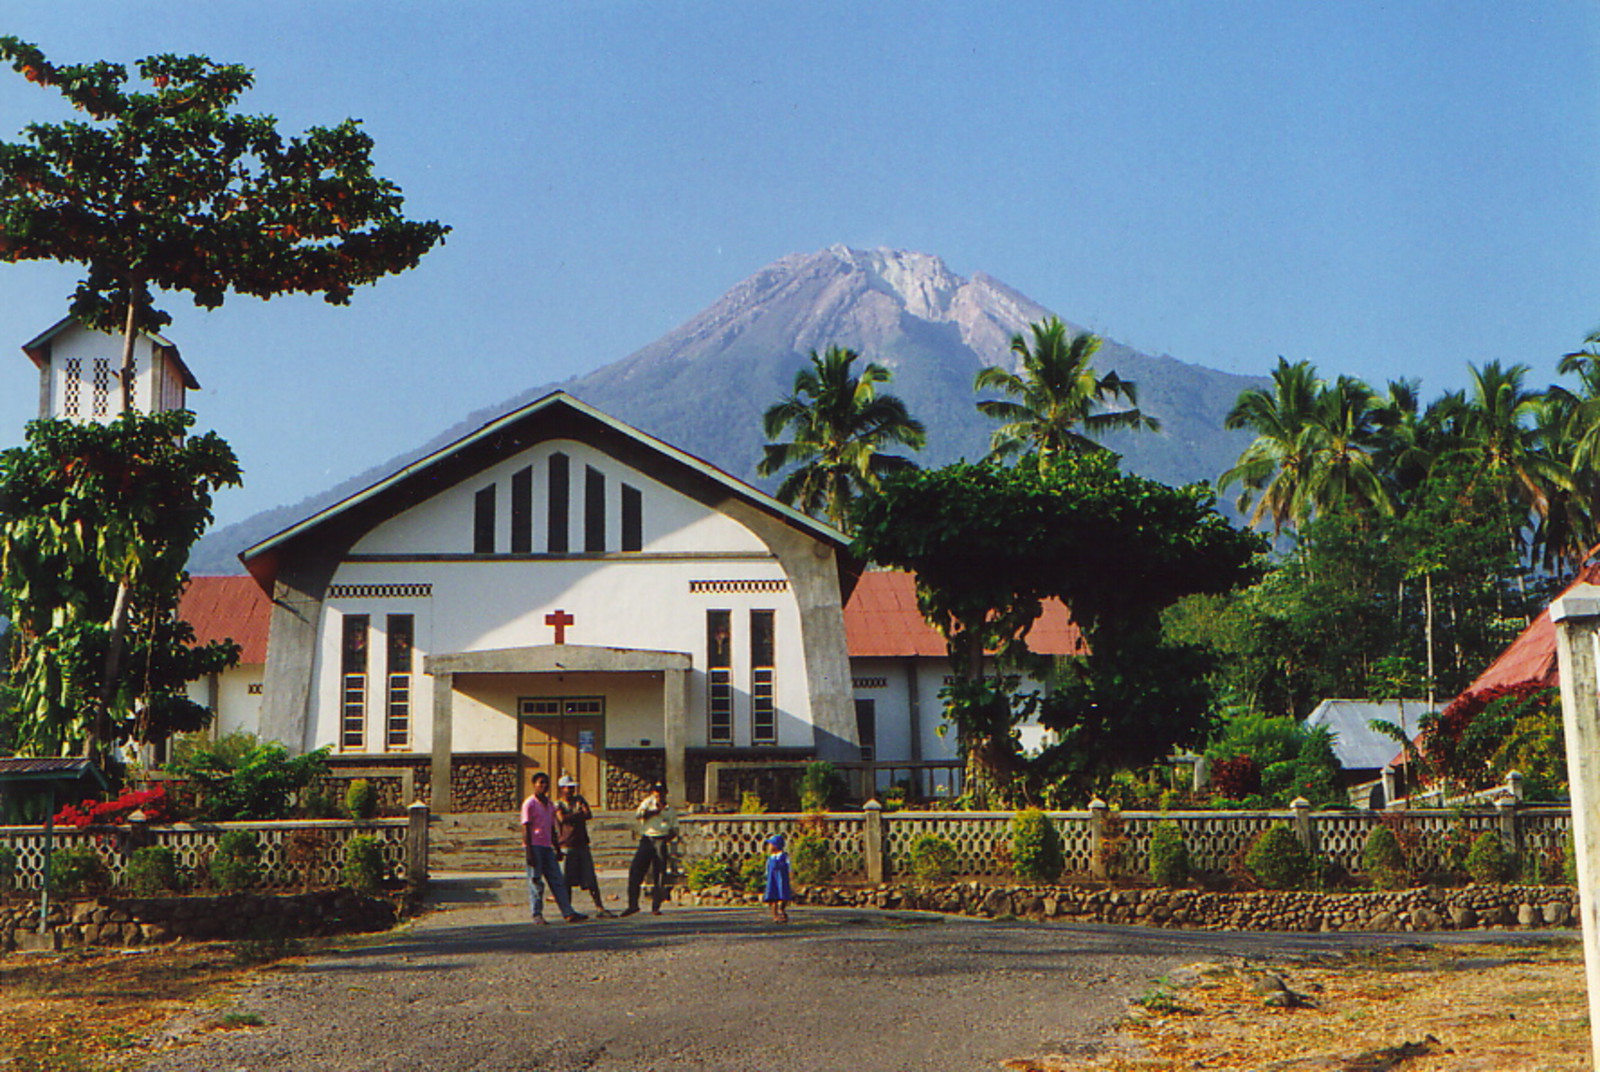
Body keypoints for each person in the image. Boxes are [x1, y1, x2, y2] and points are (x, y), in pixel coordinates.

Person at [521, 771, 586, 924]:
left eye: (546, 783)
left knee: (557, 880)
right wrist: (529, 850)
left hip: (547, 846)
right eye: (540, 783)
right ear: (534, 784)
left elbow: (551, 827)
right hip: (534, 846)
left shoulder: (549, 804)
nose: (543, 786)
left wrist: (556, 848)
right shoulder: (529, 804)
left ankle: (568, 912)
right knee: (536, 881)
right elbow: (525, 828)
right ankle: (537, 914)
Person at [555, 773, 612, 917]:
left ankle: (599, 907)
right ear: (562, 788)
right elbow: (562, 819)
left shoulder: (579, 799)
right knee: (566, 880)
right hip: (567, 844)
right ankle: (568, 910)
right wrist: (578, 814)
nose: (571, 791)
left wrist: (576, 815)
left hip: (581, 843)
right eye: (568, 788)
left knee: (590, 878)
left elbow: (588, 814)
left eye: (572, 788)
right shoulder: (558, 804)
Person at [620, 782, 677, 916]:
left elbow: (675, 829)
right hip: (647, 838)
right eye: (656, 792)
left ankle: (655, 906)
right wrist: (654, 811)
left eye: (661, 793)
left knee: (659, 874)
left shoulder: (670, 810)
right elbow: (639, 815)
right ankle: (633, 905)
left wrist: (666, 838)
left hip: (661, 839)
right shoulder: (647, 803)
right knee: (636, 871)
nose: (658, 795)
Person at [763, 833, 792, 924]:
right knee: (773, 896)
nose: (769, 846)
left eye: (771, 844)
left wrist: (790, 876)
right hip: (772, 879)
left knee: (783, 894)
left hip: (781, 879)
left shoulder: (784, 856)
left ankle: (781, 911)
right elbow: (768, 868)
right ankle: (775, 914)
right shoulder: (770, 858)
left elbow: (789, 868)